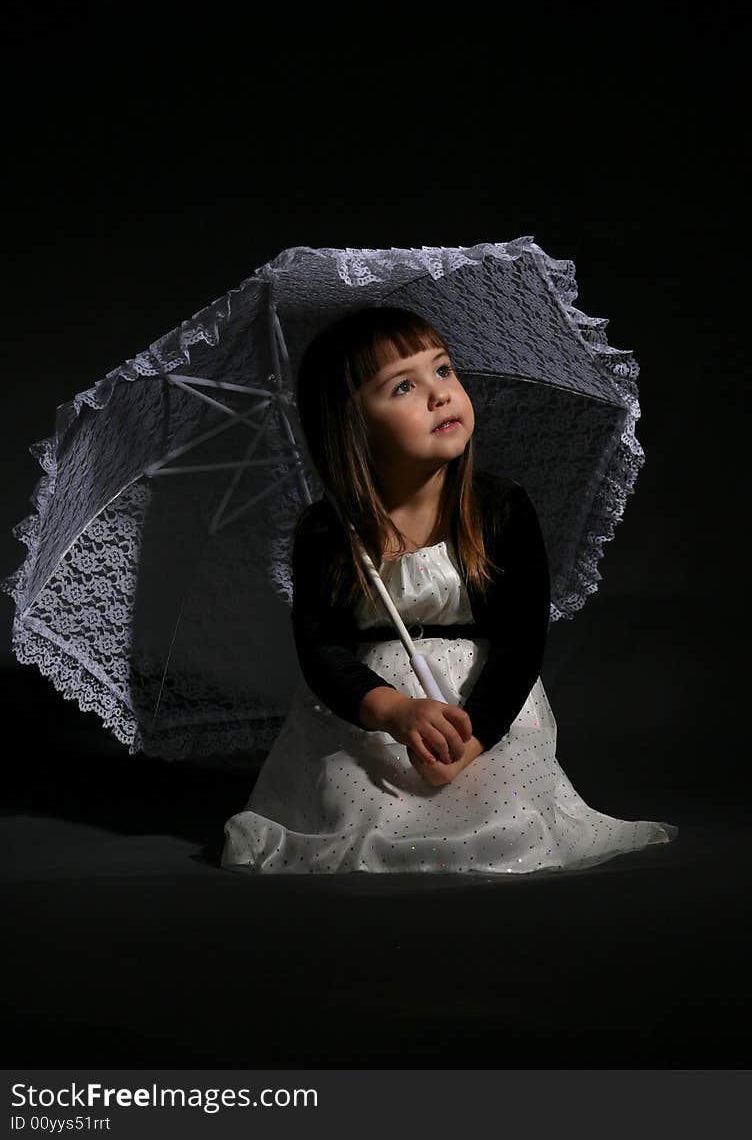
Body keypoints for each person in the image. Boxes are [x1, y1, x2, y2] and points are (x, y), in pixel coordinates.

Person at [221, 305, 678, 876]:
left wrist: (476, 738)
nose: (440, 395)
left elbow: (519, 643)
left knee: (502, 819)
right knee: (351, 807)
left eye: (444, 371)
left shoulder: (501, 510)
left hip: (482, 709)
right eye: (404, 387)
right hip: (374, 717)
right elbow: (321, 650)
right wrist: (393, 710)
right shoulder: (329, 530)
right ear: (352, 423)